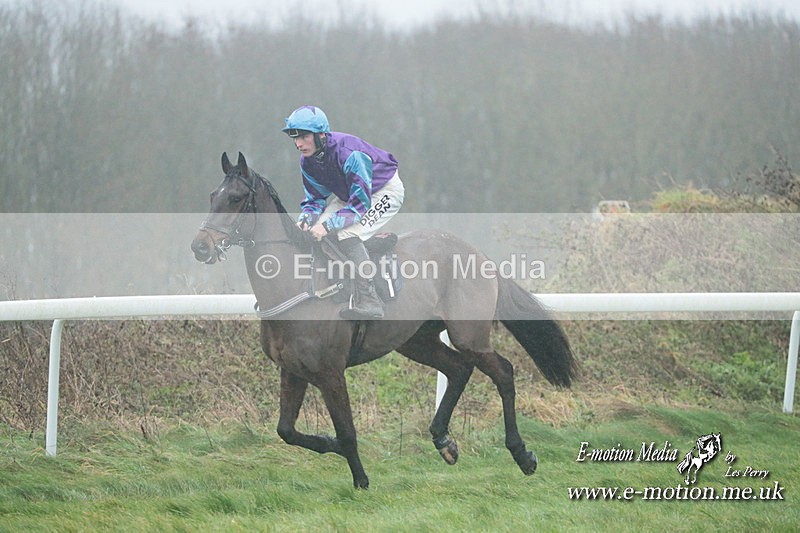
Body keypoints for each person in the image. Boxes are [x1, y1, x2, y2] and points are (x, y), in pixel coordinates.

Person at [282, 105, 405, 320]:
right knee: (315, 230)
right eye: (295, 137)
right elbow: (315, 199)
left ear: (321, 135)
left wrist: (328, 225)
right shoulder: (307, 161)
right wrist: (306, 220)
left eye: (304, 137)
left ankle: (370, 299)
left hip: (383, 191)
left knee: (347, 233)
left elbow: (360, 205)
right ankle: (341, 282)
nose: (298, 144)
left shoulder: (350, 154)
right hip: (350, 195)